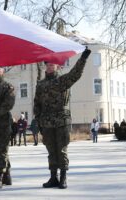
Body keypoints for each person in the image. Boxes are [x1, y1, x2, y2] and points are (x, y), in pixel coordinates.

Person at [34, 48, 91, 189]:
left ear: (57, 66)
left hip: (61, 121)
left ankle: (63, 177)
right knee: (51, 151)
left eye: (52, 65)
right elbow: (37, 103)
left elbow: (75, 74)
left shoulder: (62, 81)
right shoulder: (40, 85)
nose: (49, 67)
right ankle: (54, 177)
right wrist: (38, 120)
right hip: (46, 122)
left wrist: (83, 58)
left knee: (61, 150)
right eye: (47, 65)